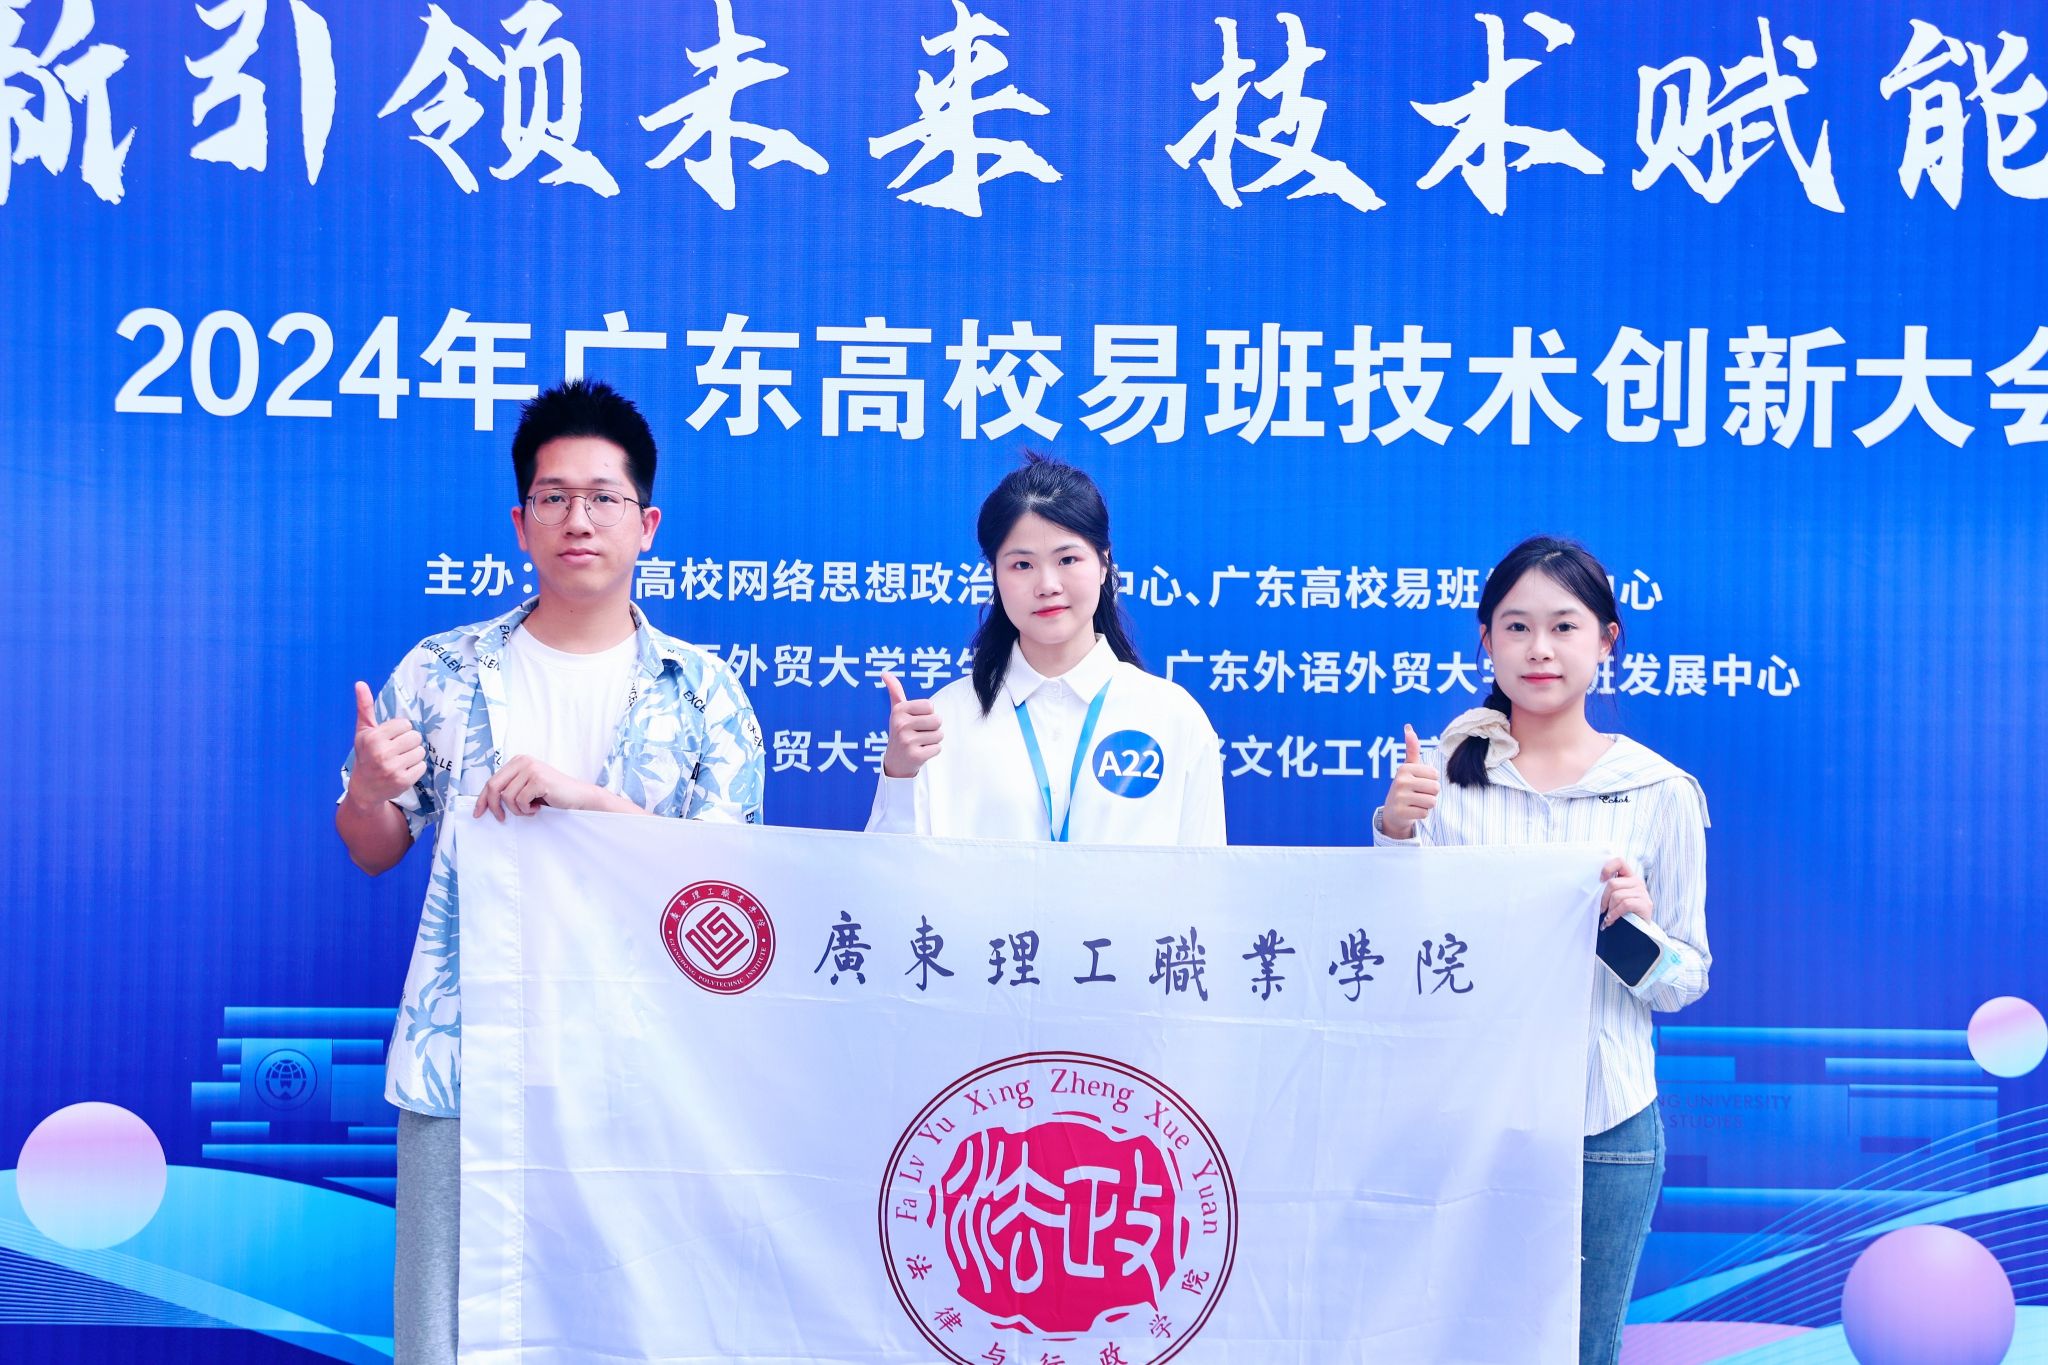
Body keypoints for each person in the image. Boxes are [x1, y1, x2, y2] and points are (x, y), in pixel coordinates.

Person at [336, 379, 765, 1365]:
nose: (579, 519)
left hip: (644, 1066)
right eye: (554, 496)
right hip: (467, 1060)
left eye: (604, 497)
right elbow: (372, 846)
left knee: (634, 1335)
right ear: (520, 522)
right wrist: (366, 789)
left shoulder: (706, 692)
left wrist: (590, 804)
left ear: (646, 525)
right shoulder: (439, 672)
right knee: (448, 1335)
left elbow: (732, 896)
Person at [1372, 534, 1709, 1365]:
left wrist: (1632, 929)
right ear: (1486, 641)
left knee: (1583, 1350)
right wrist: (1394, 830)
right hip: (1465, 1114)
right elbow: (1396, 949)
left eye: (1564, 626)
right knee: (1453, 1344)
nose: (1540, 648)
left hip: (1605, 1122)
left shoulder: (1659, 791)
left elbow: (1683, 980)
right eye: (1517, 627)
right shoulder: (1440, 776)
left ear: (1607, 640)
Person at [867, 454, 1224, 845]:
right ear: (995, 575)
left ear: (1104, 564)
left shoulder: (1173, 717)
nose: (1048, 585)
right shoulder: (946, 720)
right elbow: (893, 872)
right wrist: (899, 774)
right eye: (1022, 565)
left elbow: (1204, 872)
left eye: (1068, 559)